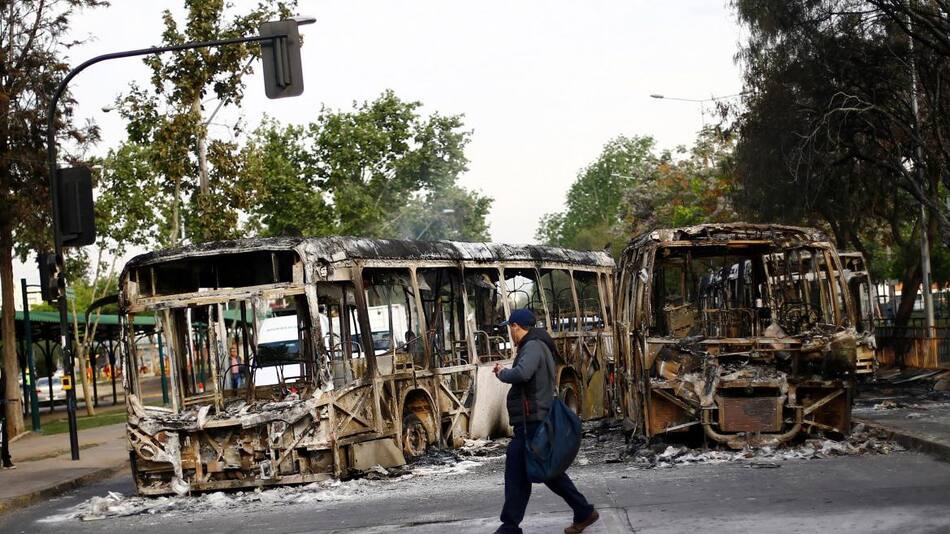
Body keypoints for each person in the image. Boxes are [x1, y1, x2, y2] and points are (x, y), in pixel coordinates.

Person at [492, 308, 598, 534]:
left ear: (515, 327)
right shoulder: (537, 344)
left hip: (532, 420)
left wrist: (502, 373)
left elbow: (522, 374)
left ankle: (509, 527)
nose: (509, 332)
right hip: (533, 418)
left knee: (523, 471)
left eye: (509, 328)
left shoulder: (531, 346)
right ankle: (583, 511)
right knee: (544, 471)